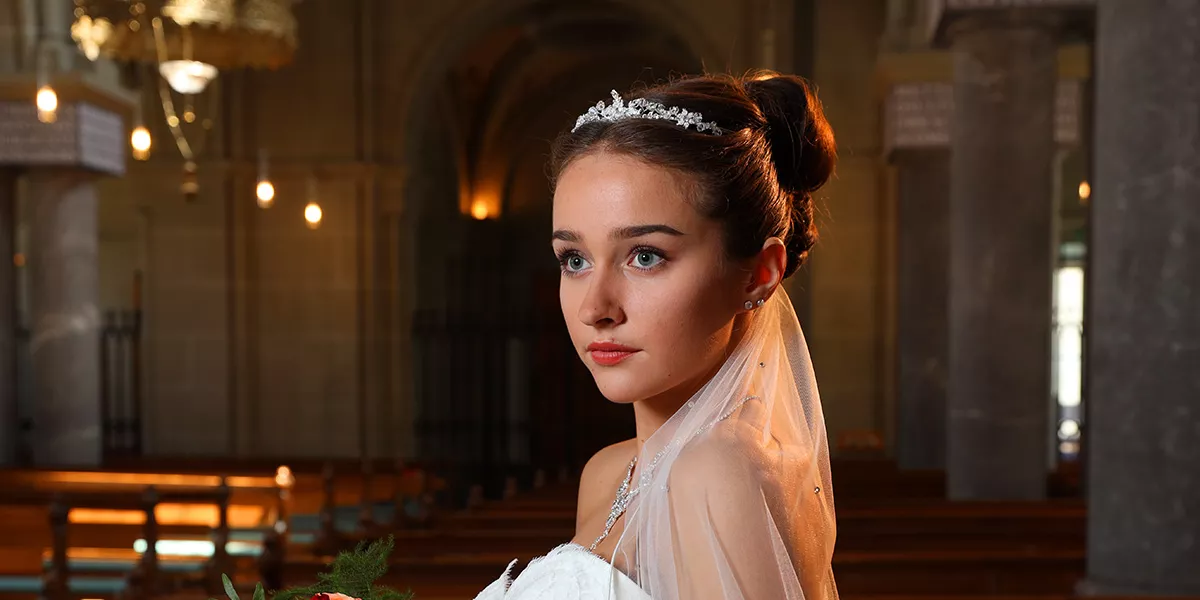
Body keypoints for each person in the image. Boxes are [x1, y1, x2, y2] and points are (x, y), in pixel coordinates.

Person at [475, 70, 839, 600]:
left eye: (645, 256)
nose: (595, 308)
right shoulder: (608, 472)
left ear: (759, 274)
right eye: (574, 259)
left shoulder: (718, 472)